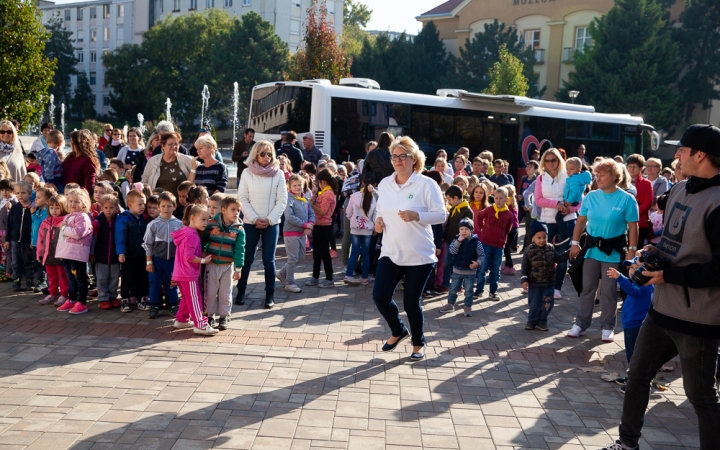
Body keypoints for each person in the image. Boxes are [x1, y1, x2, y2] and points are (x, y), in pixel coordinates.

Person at [602, 124, 720, 450]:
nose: (676, 154)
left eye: (682, 148)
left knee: (701, 398)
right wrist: (654, 252)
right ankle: (627, 445)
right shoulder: (680, 189)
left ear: (701, 154)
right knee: (636, 377)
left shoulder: (718, 203)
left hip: (698, 319)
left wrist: (668, 276)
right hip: (661, 310)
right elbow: (676, 243)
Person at [373, 136, 446, 361]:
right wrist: (378, 221)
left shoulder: (426, 184)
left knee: (411, 302)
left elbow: (441, 214)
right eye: (394, 156)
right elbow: (380, 210)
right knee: (380, 296)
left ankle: (418, 343)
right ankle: (398, 330)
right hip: (391, 251)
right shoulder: (385, 184)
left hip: (419, 254)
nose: (397, 160)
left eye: (402, 156)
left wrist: (418, 216)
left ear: (414, 159)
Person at [568, 158, 638, 342]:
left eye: (602, 175)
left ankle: (607, 327)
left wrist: (631, 251)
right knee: (587, 288)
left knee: (608, 290)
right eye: (596, 174)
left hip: (613, 251)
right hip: (591, 250)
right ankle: (581, 324)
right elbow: (581, 221)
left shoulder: (627, 199)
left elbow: (633, 227)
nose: (598, 178)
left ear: (614, 176)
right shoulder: (591, 196)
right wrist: (575, 243)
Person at [236, 141, 288, 308]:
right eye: (263, 154)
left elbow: (282, 200)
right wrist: (254, 218)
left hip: (271, 223)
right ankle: (241, 290)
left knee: (269, 260)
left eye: (269, 154)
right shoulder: (246, 173)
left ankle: (269, 294)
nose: (267, 157)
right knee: (247, 258)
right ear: (256, 154)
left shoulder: (278, 174)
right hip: (251, 223)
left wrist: (269, 219)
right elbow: (242, 198)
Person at [534, 148, 578, 299]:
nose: (551, 163)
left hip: (567, 221)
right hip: (547, 221)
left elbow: (580, 201)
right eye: (547, 160)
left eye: (554, 160)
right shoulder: (540, 178)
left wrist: (569, 208)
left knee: (562, 255)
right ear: (543, 162)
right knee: (544, 254)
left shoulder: (569, 176)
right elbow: (538, 200)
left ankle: (557, 288)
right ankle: (543, 284)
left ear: (559, 161)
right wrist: (556, 204)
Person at [606, 260, 653, 393]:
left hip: (636, 325)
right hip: (630, 324)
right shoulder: (638, 283)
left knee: (635, 356)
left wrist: (620, 277)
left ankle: (635, 383)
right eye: (631, 267)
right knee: (632, 355)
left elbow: (633, 291)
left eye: (636, 268)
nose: (632, 270)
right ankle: (632, 378)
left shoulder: (645, 285)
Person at [170, 204, 217, 335]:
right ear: (192, 218)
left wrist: (200, 254)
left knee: (187, 298)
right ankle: (201, 325)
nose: (205, 223)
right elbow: (189, 256)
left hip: (181, 274)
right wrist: (203, 260)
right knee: (195, 299)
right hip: (188, 274)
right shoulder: (192, 235)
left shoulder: (185, 231)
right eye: (203, 219)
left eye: (207, 219)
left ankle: (182, 320)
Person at [201, 196, 245, 330]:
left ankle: (224, 316)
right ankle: (209, 315)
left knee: (225, 293)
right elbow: (203, 240)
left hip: (227, 266)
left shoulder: (239, 229)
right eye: (233, 209)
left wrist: (238, 268)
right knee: (210, 292)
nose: (236, 213)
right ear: (224, 210)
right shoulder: (211, 224)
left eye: (238, 210)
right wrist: (203, 252)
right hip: (212, 264)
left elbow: (240, 249)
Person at [521, 222, 569, 331]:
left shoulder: (551, 248)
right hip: (534, 284)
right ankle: (532, 321)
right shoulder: (529, 250)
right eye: (539, 238)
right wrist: (524, 279)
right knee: (534, 304)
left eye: (544, 237)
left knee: (548, 304)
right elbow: (525, 267)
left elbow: (558, 258)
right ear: (533, 238)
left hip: (548, 283)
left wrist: (568, 253)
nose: (542, 240)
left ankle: (543, 321)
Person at [143, 191, 182, 319]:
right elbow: (147, 244)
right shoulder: (153, 224)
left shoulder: (179, 224)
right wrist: (149, 262)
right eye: (163, 206)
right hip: (157, 260)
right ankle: (154, 305)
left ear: (174, 207)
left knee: (172, 283)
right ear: (159, 207)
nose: (166, 209)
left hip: (172, 261)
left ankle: (172, 305)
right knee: (154, 283)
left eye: (169, 206)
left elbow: (182, 245)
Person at [55, 188, 93, 314]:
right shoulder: (68, 216)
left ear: (84, 203)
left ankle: (82, 302)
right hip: (67, 253)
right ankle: (72, 299)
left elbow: (77, 233)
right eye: (70, 201)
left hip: (76, 253)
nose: (72, 204)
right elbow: (62, 237)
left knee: (80, 278)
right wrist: (61, 252)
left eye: (76, 201)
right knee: (70, 278)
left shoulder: (83, 217)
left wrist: (64, 227)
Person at [439, 217, 484, 317]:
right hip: (457, 271)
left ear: (471, 230)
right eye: (461, 229)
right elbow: (452, 251)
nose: (464, 231)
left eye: (467, 229)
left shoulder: (476, 242)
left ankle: (467, 306)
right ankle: (450, 304)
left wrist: (478, 263)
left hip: (470, 272)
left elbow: (482, 255)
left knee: (468, 290)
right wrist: (458, 241)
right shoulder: (456, 239)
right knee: (453, 288)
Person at [277, 174, 315, 293]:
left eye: (300, 185)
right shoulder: (289, 199)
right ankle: (289, 282)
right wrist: (305, 225)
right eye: (295, 185)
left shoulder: (305, 200)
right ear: (289, 187)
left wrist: (310, 224)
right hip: (291, 233)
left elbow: (312, 214)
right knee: (293, 258)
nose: (298, 187)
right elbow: (289, 217)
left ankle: (281, 273)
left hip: (302, 233)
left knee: (300, 257)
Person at [475, 186, 513, 300]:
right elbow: (479, 216)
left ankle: (493, 291)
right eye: (496, 198)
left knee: (495, 270)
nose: (498, 200)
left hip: (499, 246)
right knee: (482, 268)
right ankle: (479, 290)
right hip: (486, 243)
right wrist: (482, 228)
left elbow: (508, 229)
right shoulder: (490, 209)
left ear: (506, 199)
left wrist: (502, 237)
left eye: (501, 198)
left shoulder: (509, 215)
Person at [115, 190, 149, 312]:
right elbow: (120, 236)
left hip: (141, 254)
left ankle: (141, 299)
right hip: (128, 255)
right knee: (126, 278)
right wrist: (121, 252)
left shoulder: (142, 219)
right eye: (140, 204)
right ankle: (124, 300)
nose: (143, 207)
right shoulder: (123, 219)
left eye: (143, 204)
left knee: (141, 278)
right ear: (130, 204)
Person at [343, 172, 376, 286]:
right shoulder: (374, 198)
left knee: (354, 252)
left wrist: (351, 218)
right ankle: (365, 277)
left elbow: (348, 212)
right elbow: (376, 215)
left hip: (355, 228)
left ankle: (348, 275)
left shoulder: (354, 196)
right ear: (375, 184)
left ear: (362, 182)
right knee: (365, 253)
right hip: (368, 229)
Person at [439, 185, 473, 292]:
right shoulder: (453, 208)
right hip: (450, 241)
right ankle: (445, 284)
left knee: (459, 265)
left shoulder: (467, 211)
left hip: (461, 242)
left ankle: (458, 285)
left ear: (455, 198)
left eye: (449, 200)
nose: (448, 202)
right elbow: (449, 224)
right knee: (447, 263)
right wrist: (444, 237)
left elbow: (468, 229)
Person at [307, 168, 337, 288]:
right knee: (317, 253)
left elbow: (322, 211)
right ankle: (315, 276)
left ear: (323, 182)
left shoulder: (328, 193)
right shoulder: (323, 192)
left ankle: (329, 278)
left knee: (324, 253)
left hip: (324, 227)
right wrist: (314, 197)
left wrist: (311, 205)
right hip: (318, 225)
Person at [37, 194, 69, 306]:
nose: (54, 210)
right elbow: (40, 240)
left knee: (63, 277)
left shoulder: (65, 222)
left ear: (64, 208)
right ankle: (52, 293)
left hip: (61, 256)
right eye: (51, 208)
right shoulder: (45, 222)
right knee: (52, 277)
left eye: (57, 207)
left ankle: (64, 295)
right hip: (48, 255)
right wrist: (39, 254)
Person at [142, 132, 197, 197]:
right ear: (163, 146)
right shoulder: (153, 161)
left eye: (176, 144)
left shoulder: (188, 160)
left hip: (181, 205)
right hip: (158, 204)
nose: (174, 147)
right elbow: (144, 180)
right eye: (170, 144)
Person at [6, 181, 34, 291]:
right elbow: (9, 224)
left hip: (28, 240)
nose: (20, 195)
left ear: (30, 194)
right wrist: (8, 239)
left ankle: (29, 281)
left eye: (23, 192)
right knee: (15, 261)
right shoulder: (14, 208)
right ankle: (16, 281)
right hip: (14, 240)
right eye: (17, 193)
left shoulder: (33, 208)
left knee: (28, 261)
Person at [555, 157, 592, 241]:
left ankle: (562, 233)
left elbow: (575, 192)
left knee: (558, 217)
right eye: (567, 168)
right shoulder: (578, 178)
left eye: (571, 169)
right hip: (575, 201)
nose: (568, 171)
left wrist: (568, 201)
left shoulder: (574, 179)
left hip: (571, 201)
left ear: (578, 170)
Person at [626, 154, 653, 246]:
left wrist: (632, 214)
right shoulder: (621, 181)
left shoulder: (646, 183)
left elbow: (648, 203)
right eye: (629, 166)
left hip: (639, 222)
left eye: (634, 167)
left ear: (641, 168)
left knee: (636, 249)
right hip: (621, 222)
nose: (631, 169)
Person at [501, 185, 520, 275]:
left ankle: (510, 266)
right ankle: (507, 265)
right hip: (515, 227)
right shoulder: (514, 202)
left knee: (506, 248)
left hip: (511, 228)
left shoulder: (508, 203)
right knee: (506, 247)